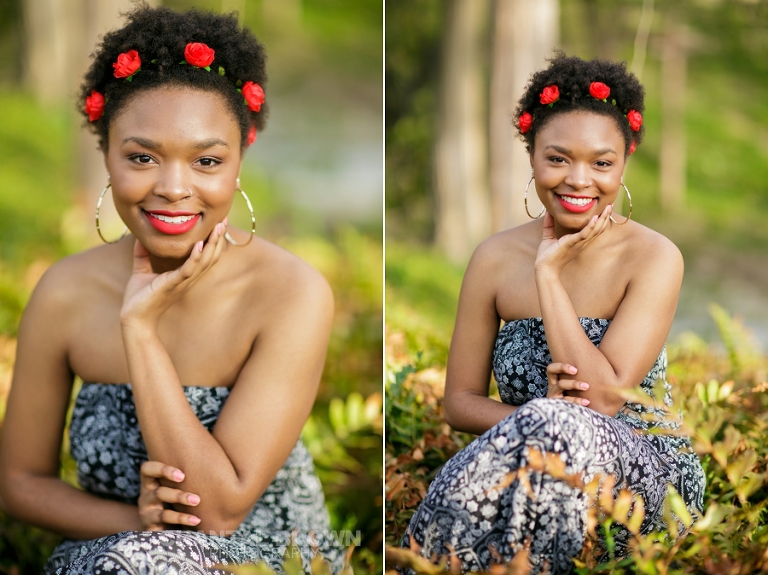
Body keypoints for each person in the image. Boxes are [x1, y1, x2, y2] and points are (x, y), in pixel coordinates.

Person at [0, 5, 346, 574]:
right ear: (106, 152)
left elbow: (216, 515)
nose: (173, 188)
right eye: (142, 157)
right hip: (111, 555)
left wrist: (139, 329)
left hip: (259, 560)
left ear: (240, 158)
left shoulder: (291, 293)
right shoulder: (64, 292)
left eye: (206, 160)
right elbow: (20, 482)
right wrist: (133, 523)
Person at [397, 54, 706, 574]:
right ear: (533, 156)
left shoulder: (653, 258)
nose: (578, 180)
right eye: (558, 159)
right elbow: (460, 402)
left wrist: (548, 277)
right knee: (527, 443)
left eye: (601, 163)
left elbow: (602, 400)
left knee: (550, 429)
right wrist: (534, 420)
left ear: (624, 163)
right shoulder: (493, 259)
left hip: (646, 476)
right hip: (528, 454)